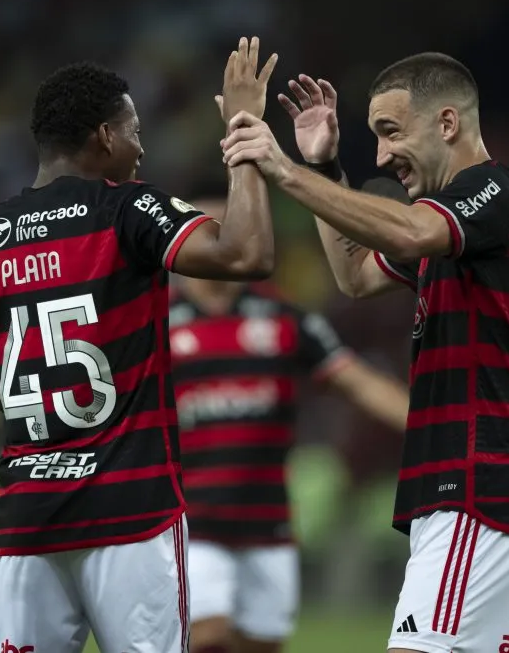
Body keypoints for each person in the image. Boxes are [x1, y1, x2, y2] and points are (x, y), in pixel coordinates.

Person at [0, 37, 278, 653]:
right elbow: (246, 254)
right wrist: (244, 135)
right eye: (134, 131)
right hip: (131, 513)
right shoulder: (127, 209)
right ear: (106, 136)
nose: (141, 148)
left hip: (27, 519)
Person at [219, 53, 509, 653]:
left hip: (478, 486)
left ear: (447, 123)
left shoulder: (493, 190)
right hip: (484, 490)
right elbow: (354, 275)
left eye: (391, 132)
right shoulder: (452, 229)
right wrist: (321, 165)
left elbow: (410, 230)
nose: (380, 157)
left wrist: (282, 170)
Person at [172, 191, 411, 653]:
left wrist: (432, 426)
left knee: (261, 645)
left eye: (227, 230)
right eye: (207, 232)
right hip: (191, 523)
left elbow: (357, 381)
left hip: (267, 521)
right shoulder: (160, 323)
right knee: (208, 636)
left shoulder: (284, 318)